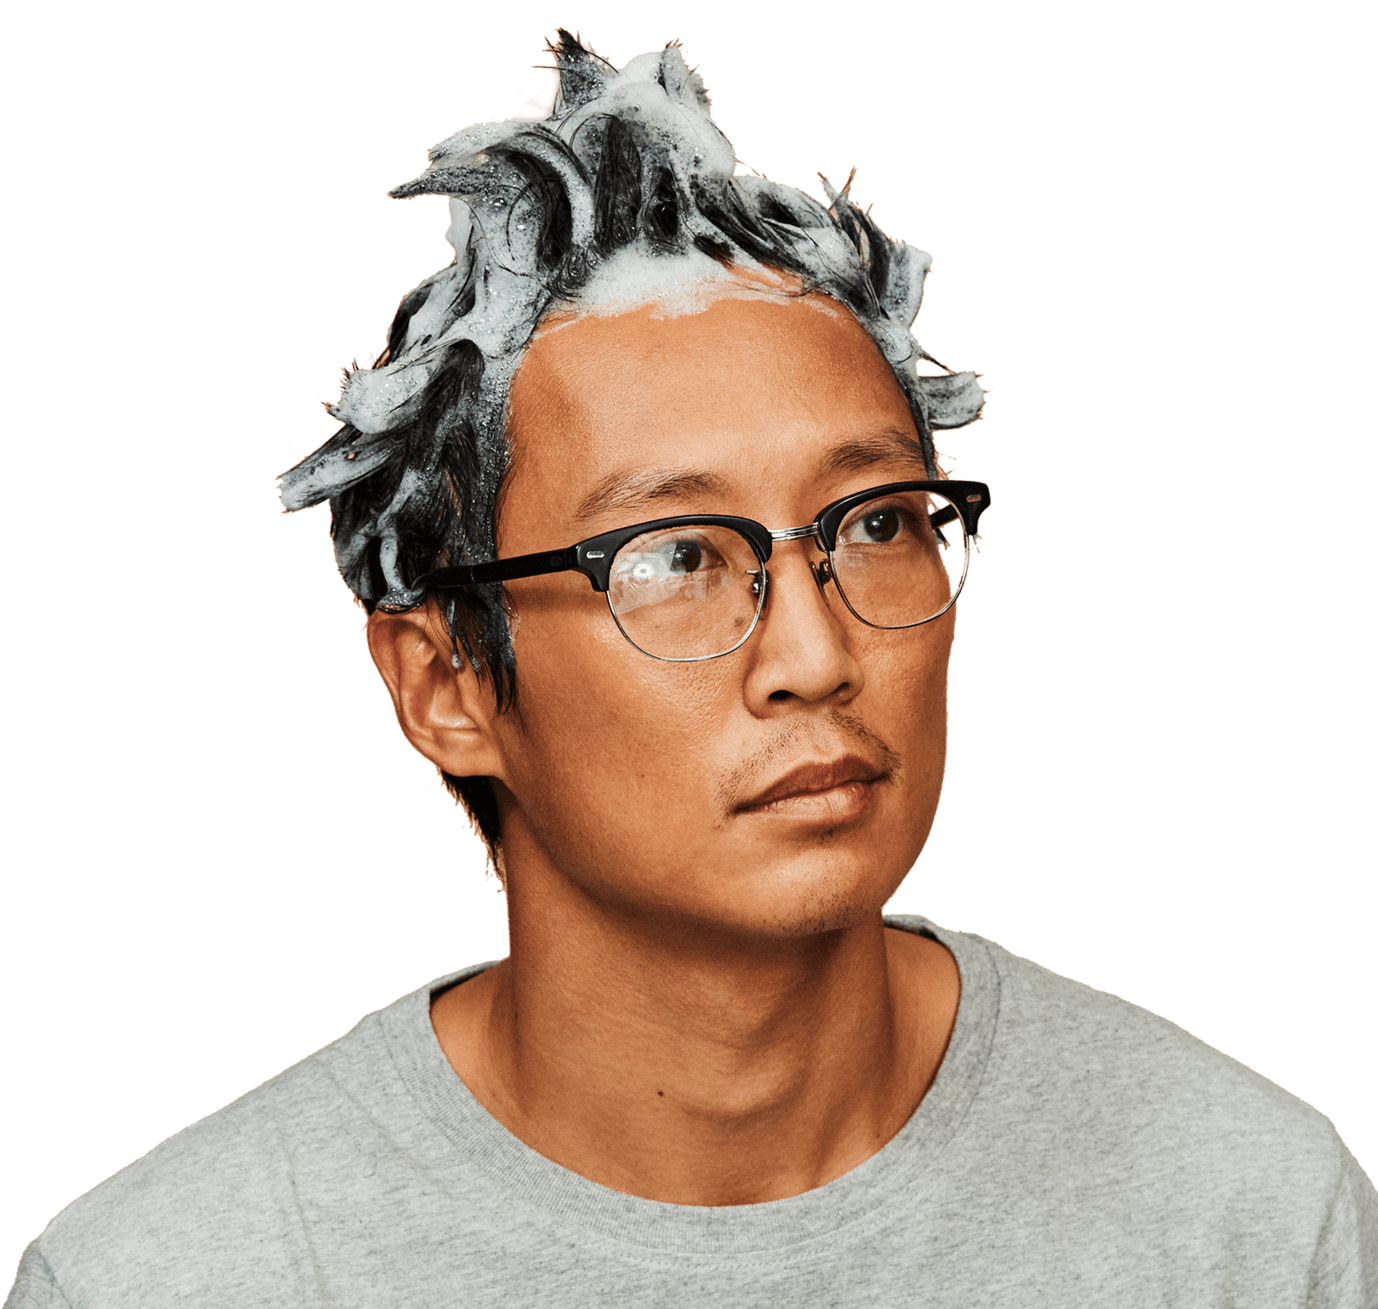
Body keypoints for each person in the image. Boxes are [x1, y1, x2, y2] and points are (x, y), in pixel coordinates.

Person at [8, 29, 1374, 1308]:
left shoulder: (1249, 1218)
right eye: (672, 556)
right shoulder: (174, 1278)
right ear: (445, 683)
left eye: (876, 525)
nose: (814, 656)